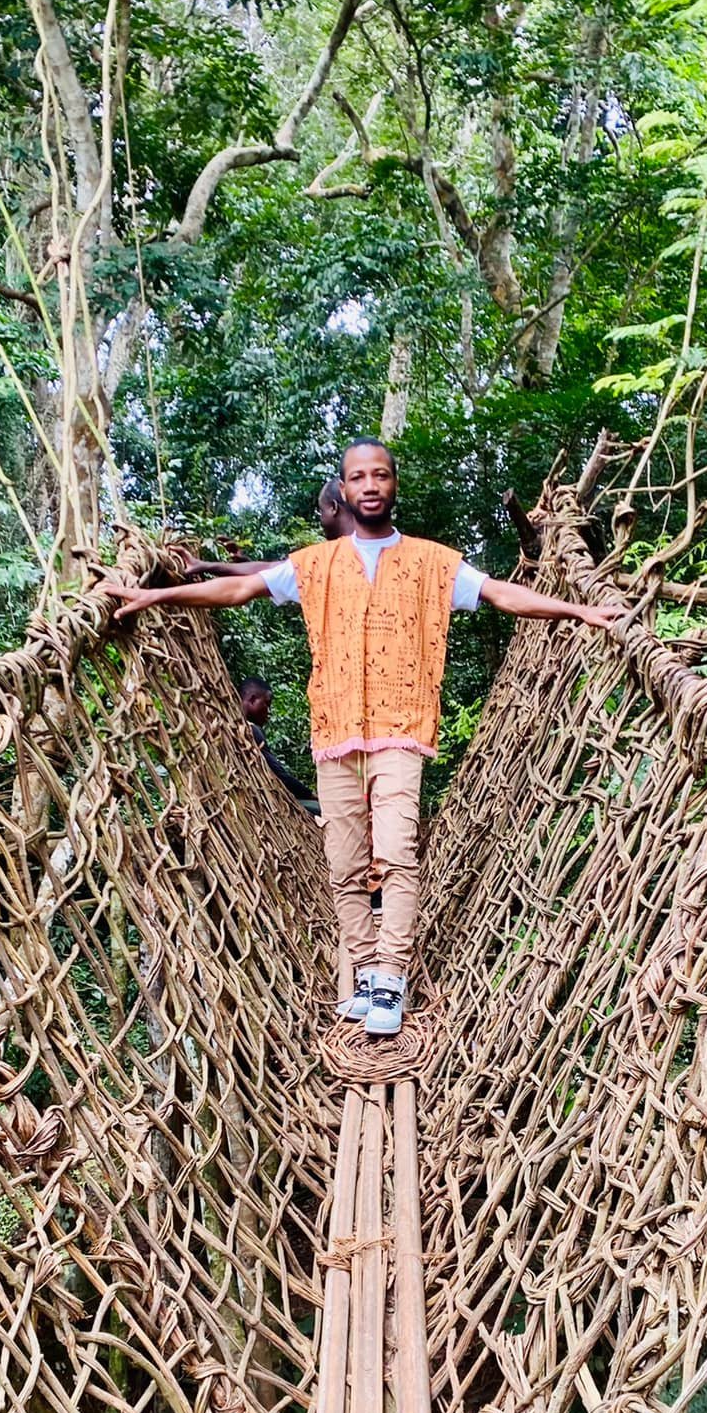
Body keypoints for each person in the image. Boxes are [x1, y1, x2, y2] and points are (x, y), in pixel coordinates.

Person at [96, 439, 618, 1037]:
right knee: (344, 865)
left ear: (394, 484)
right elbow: (237, 589)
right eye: (358, 477)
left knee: (396, 852)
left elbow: (501, 593)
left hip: (401, 729)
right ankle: (367, 974)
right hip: (336, 732)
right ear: (344, 490)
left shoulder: (432, 563)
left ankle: (391, 978)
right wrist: (157, 596)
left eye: (381, 475)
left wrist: (577, 612)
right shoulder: (314, 565)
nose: (370, 485)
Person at [183, 479, 355, 579]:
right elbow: (274, 571)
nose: (321, 519)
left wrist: (203, 565)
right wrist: (246, 564)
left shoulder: (326, 560)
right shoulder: (366, 548)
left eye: (321, 511)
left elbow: (272, 571)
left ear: (333, 508)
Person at [241, 674, 319, 814]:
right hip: (266, 803)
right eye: (267, 704)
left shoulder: (232, 727)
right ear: (252, 700)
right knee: (321, 809)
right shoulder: (252, 730)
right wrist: (310, 795)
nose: (268, 711)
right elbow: (280, 775)